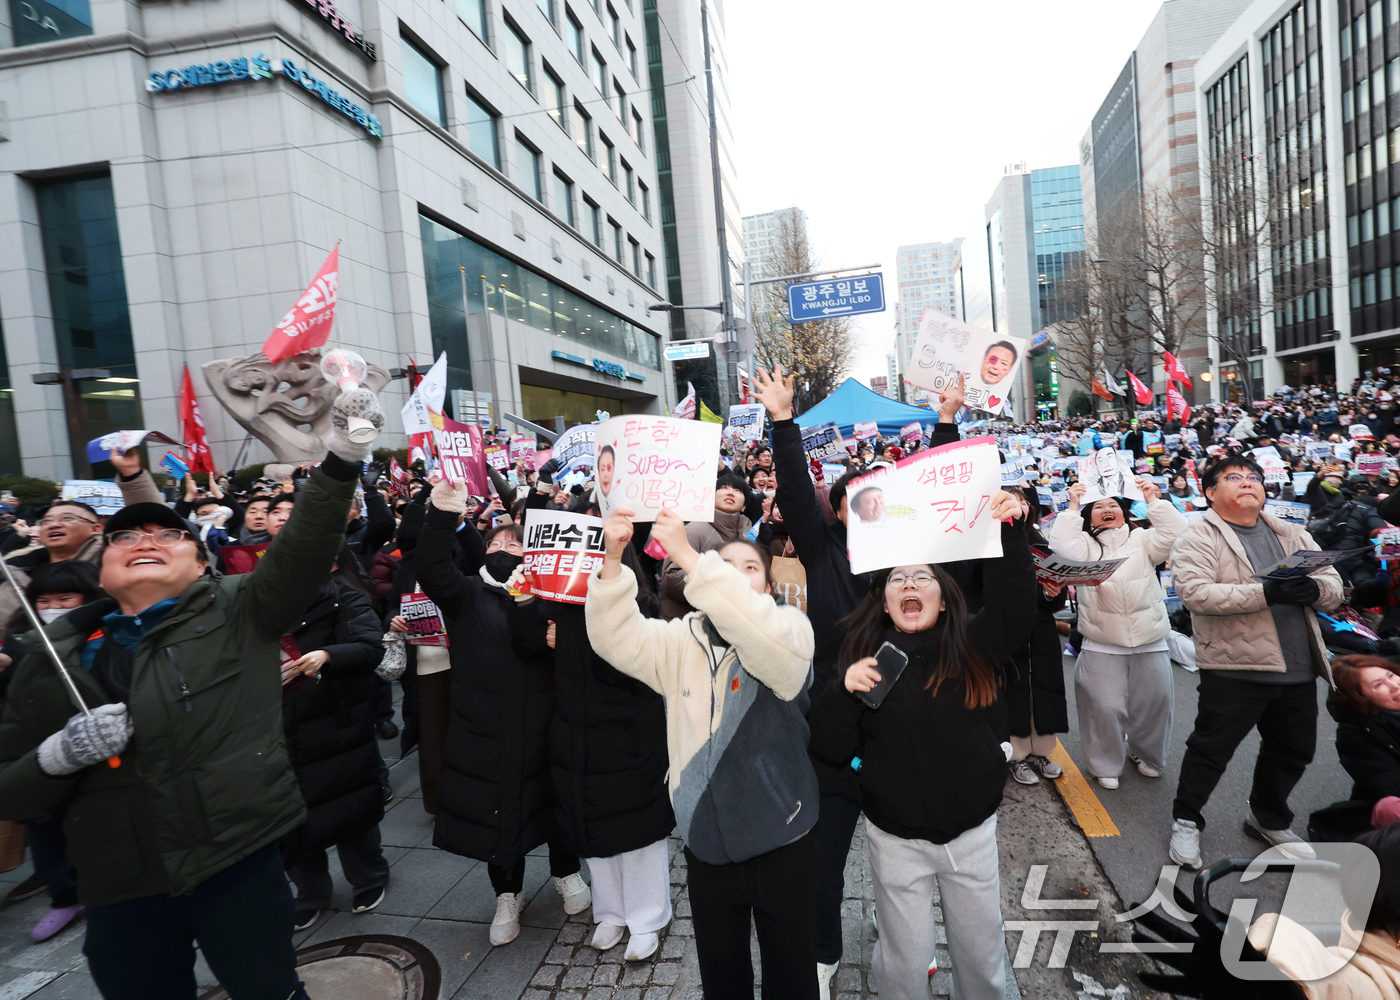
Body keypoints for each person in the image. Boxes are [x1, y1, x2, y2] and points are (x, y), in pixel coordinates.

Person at [0, 385, 383, 999]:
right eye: (126, 537)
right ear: (102, 567)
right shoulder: (51, 657)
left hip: (237, 862)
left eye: (167, 534)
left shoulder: (241, 610)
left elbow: (306, 545)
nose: (145, 541)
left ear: (201, 563)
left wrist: (343, 456)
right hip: (120, 885)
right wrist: (54, 760)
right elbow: (8, 785)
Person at [752, 363, 965, 999]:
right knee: (822, 863)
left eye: (879, 496)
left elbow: (936, 495)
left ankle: (910, 949)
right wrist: (784, 422)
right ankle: (822, 953)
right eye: (852, 498)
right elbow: (795, 492)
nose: (868, 505)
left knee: (912, 860)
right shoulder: (824, 555)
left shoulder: (911, 566)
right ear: (839, 512)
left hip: (906, 737)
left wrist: (947, 422)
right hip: (835, 732)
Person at [809, 489, 1034, 1000]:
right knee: (903, 958)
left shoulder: (973, 644)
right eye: (897, 579)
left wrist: (1012, 532)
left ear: (943, 594)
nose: (909, 584)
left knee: (981, 953)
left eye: (922, 577)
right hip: (896, 839)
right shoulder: (868, 661)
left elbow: (1016, 605)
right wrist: (845, 694)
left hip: (972, 833)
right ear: (885, 601)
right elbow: (829, 746)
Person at [586, 507, 819, 1000]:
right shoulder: (682, 639)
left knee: (791, 970)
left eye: (749, 567)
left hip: (784, 833)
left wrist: (692, 556)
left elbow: (772, 652)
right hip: (706, 837)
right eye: (722, 565)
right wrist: (611, 558)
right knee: (721, 971)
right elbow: (616, 639)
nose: (733, 575)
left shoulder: (792, 629)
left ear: (770, 583)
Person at [416, 480, 589, 947]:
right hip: (487, 725)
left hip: (549, 717)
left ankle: (566, 873)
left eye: (515, 541)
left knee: (555, 801)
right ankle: (507, 894)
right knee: (499, 812)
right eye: (494, 541)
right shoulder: (466, 593)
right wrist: (442, 515)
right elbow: (431, 567)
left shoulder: (550, 592)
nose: (504, 547)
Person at [1168, 455, 1344, 869]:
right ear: (1210, 493)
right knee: (1210, 750)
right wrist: (1268, 593)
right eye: (1234, 478)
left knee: (1293, 750)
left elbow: (1334, 586)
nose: (1247, 482)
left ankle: (1268, 818)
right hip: (1235, 667)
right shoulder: (1196, 537)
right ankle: (1186, 820)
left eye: (1254, 477)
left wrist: (1314, 591)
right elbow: (1196, 594)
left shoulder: (1294, 533)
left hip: (1298, 666)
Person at [508, 541, 674, 960]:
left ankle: (648, 917)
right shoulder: (560, 604)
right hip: (575, 731)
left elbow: (625, 664)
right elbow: (526, 646)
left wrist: (571, 638)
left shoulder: (638, 603)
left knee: (637, 829)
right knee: (591, 824)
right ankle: (611, 912)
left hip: (629, 732)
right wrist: (525, 600)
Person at [279, 540, 391, 931]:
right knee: (290, 816)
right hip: (279, 726)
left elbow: (369, 648)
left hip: (335, 718)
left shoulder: (345, 598)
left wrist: (328, 655)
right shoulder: (263, 607)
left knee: (349, 803)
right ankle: (309, 891)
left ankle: (369, 876)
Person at [1048, 477, 1185, 789]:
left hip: (1150, 640)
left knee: (1155, 704)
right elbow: (1061, 548)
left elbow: (1177, 534)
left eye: (1113, 505)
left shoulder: (1144, 540)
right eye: (1098, 507)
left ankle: (1146, 754)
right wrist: (1071, 507)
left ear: (1124, 511)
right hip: (1101, 642)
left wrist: (1153, 500)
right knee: (1103, 707)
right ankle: (1105, 762)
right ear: (1089, 516)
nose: (1107, 510)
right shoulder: (1083, 546)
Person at [0, 562, 104, 942]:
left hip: (98, 753)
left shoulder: (106, 634)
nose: (53, 607)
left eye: (65, 598)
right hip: (42, 756)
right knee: (46, 830)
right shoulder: (20, 641)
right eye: (43, 600)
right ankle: (64, 896)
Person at [658, 471, 754, 620]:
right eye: (723, 488)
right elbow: (671, 579)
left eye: (738, 490)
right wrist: (719, 585)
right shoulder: (696, 529)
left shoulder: (745, 539)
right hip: (689, 627)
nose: (730, 492)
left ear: (744, 506)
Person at [1328, 656, 1400, 830]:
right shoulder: (1355, 735)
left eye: (1391, 675)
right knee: (1390, 808)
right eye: (1378, 684)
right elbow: (1391, 787)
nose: (1394, 686)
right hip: (1390, 814)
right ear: (1361, 698)